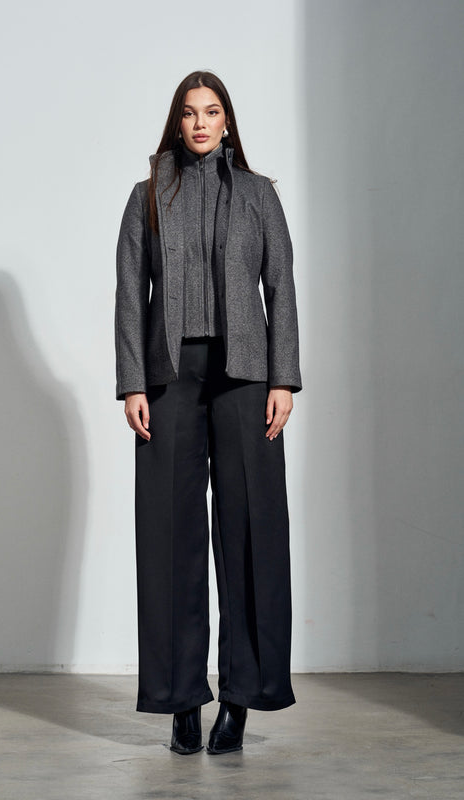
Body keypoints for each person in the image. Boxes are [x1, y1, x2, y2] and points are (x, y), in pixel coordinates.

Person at [115, 70, 301, 755]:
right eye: (190, 112)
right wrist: (133, 383)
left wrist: (284, 378)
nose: (200, 123)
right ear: (177, 121)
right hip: (168, 377)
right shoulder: (147, 197)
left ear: (227, 122)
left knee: (251, 527)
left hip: (246, 375)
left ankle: (242, 697)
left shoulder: (257, 195)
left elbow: (281, 287)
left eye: (212, 111)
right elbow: (128, 293)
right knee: (169, 536)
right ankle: (179, 699)